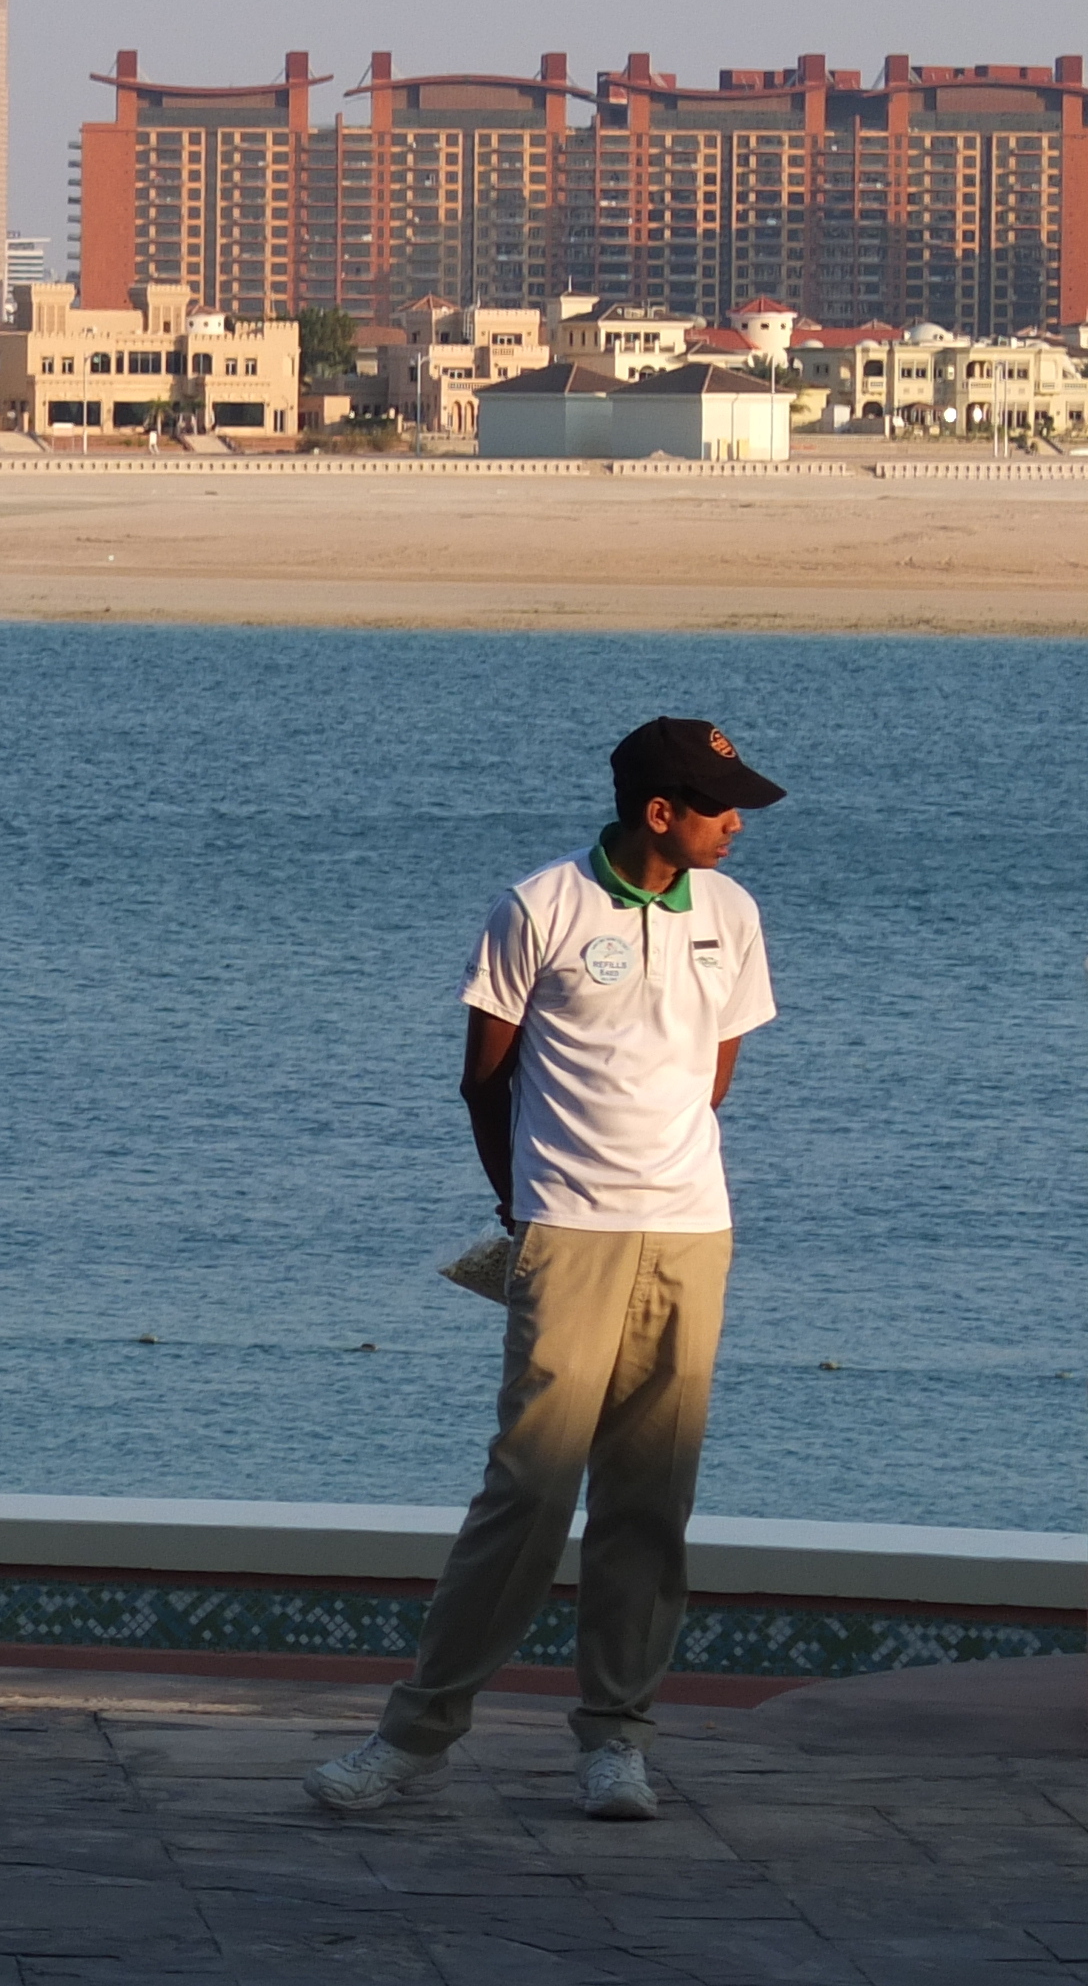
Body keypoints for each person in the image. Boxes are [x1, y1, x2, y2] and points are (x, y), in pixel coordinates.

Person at [309, 718, 783, 1824]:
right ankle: (414, 1736)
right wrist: (522, 1209)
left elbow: (714, 1076)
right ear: (657, 812)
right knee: (527, 1489)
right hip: (566, 1231)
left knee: (649, 1498)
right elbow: (485, 1080)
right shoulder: (538, 908)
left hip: (690, 1233)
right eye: (721, 808)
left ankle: (616, 1739)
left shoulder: (731, 914)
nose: (737, 826)